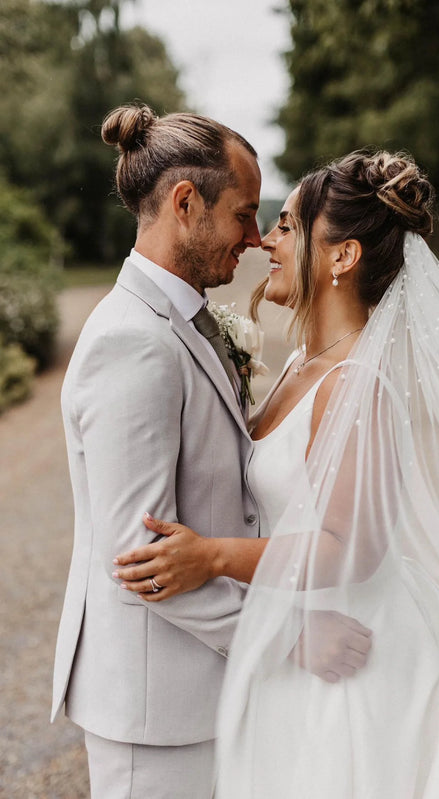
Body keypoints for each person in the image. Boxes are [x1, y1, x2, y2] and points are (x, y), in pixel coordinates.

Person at [114, 149, 439, 797]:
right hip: (300, 632)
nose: (264, 241)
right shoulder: (302, 364)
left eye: (284, 226)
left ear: (342, 256)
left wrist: (213, 556)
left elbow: (352, 550)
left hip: (359, 651)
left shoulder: (355, 382)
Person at [51, 103, 266, 799]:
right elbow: (139, 559)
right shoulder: (132, 341)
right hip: (155, 711)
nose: (255, 238)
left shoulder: (179, 322)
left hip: (193, 694)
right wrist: (280, 641)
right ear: (184, 203)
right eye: (243, 213)